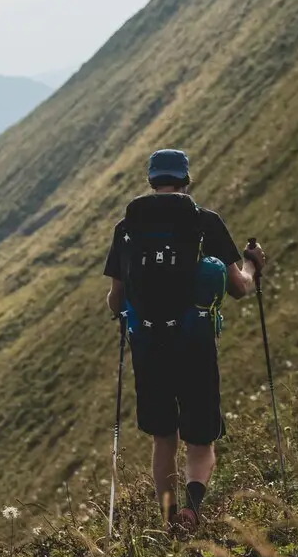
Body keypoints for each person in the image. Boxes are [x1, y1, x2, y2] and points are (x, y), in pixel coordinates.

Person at [104, 148, 265, 532]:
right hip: (195, 346)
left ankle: (167, 517)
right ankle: (191, 511)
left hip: (148, 346)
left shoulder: (127, 228)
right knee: (200, 440)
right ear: (186, 180)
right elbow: (241, 288)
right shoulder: (203, 221)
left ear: (151, 181)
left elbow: (115, 299)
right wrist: (253, 263)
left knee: (163, 439)